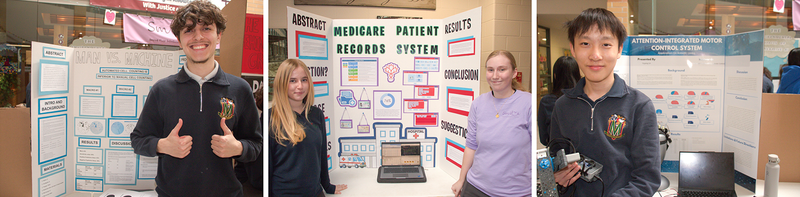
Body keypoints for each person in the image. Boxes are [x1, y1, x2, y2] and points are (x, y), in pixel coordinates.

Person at [130, 1, 262, 196]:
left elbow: (256, 145)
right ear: (179, 39)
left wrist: (238, 147)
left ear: (219, 35)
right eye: (189, 30)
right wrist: (162, 145)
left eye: (206, 28)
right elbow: (138, 140)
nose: (198, 37)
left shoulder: (240, 89)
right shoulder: (162, 90)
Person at [548, 8, 660, 196]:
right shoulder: (562, 106)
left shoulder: (639, 106)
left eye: (606, 44)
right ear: (573, 49)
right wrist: (556, 176)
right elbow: (556, 160)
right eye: (585, 43)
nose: (595, 55)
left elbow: (647, 178)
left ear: (619, 49)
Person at [450, 50, 532, 196]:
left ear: (514, 73)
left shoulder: (528, 102)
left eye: (502, 69)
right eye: (490, 70)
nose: (495, 76)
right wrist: (461, 179)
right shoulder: (478, 104)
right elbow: (471, 146)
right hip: (476, 187)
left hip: (515, 192)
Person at [269, 59, 347, 196]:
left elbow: (321, 155)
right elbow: (267, 168)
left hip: (315, 192)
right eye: (292, 81)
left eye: (304, 80)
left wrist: (327, 186)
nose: (300, 86)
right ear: (282, 83)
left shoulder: (316, 114)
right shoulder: (271, 118)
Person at [538, 56, 581, 146]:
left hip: (558, 153)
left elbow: (544, 138)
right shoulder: (584, 99)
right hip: (583, 156)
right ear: (578, 75)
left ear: (555, 75)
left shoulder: (547, 102)